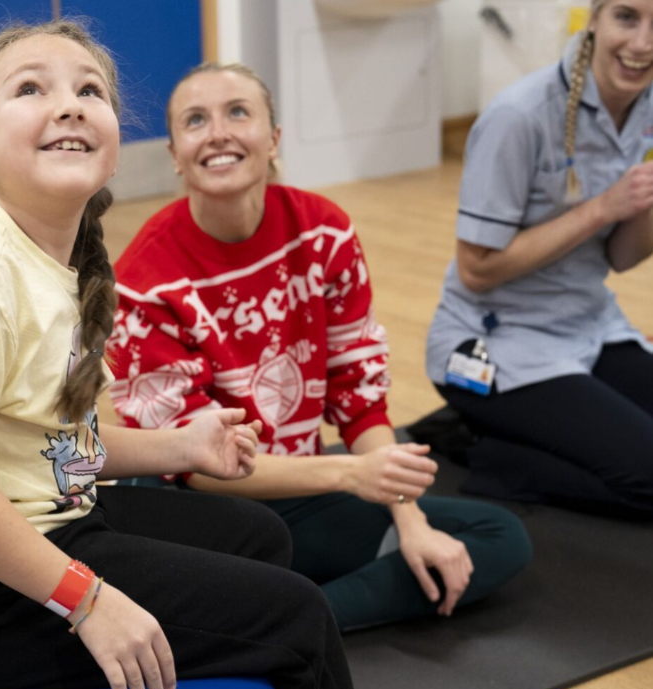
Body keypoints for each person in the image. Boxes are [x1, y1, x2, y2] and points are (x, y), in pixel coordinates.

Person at [0, 21, 359, 689]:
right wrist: (88, 600)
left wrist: (180, 446)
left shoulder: (56, 264)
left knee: (263, 535)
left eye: (88, 89)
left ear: (113, 143)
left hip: (45, 520)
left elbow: (50, 444)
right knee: (301, 619)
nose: (69, 104)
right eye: (32, 88)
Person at [108, 62, 532, 632]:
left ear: (274, 139)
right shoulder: (144, 279)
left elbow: (359, 401)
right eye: (195, 120)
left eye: (238, 112)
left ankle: (293, 623)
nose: (219, 132)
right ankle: (282, 610)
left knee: (498, 538)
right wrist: (348, 477)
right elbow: (194, 466)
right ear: (176, 155)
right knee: (204, 562)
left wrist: (409, 520)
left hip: (298, 490)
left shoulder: (323, 233)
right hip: (194, 508)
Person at [425, 0, 653, 517]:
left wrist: (642, 209)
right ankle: (486, 454)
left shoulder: (647, 108)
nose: (642, 44)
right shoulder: (519, 115)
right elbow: (477, 270)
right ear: (593, 17)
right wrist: (603, 208)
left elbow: (620, 257)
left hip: (589, 325)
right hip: (495, 343)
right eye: (627, 17)